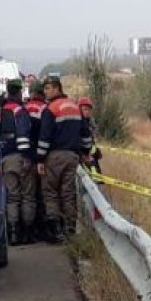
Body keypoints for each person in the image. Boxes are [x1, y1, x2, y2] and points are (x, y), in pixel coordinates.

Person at [36, 78, 93, 242]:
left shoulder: (51, 109)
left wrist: (40, 159)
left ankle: (55, 232)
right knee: (68, 193)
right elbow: (86, 134)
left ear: (57, 89)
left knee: (51, 192)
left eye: (48, 88)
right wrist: (86, 152)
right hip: (73, 157)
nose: (45, 92)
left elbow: (44, 137)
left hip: (54, 157)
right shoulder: (75, 107)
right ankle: (70, 228)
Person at [0, 79, 35, 245]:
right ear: (19, 92)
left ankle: (13, 233)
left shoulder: (0, 111)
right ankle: (27, 233)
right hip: (20, 158)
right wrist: (26, 157)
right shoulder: (20, 110)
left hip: (5, 159)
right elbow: (23, 135)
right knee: (27, 196)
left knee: (12, 197)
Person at [24, 86, 49, 242]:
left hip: (27, 156)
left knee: (28, 195)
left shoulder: (24, 108)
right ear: (42, 94)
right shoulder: (45, 109)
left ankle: (29, 230)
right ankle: (43, 229)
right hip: (43, 157)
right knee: (43, 194)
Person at [78, 97, 104, 173]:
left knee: (97, 176)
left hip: (90, 156)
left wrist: (96, 150)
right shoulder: (77, 123)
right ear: (79, 109)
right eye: (85, 109)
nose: (88, 112)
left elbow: (92, 140)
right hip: (79, 157)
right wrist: (82, 156)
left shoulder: (91, 123)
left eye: (89, 109)